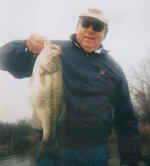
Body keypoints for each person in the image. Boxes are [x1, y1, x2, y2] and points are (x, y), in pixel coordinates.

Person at [0, 8, 142, 166]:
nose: (90, 30)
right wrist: (27, 47)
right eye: (85, 23)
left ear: (104, 34)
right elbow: (5, 59)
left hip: (96, 152)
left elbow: (126, 119)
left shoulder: (114, 69)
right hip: (56, 147)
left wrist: (130, 158)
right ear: (78, 27)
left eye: (97, 26)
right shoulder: (53, 51)